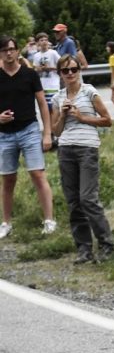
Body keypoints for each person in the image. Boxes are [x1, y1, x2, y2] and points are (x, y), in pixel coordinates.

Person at [50, 54, 114, 263]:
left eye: (73, 69)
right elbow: (56, 131)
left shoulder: (90, 92)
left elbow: (107, 120)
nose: (70, 74)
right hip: (66, 149)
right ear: (60, 74)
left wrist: (81, 117)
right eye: (65, 70)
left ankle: (106, 244)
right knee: (74, 202)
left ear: (80, 71)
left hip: (87, 148)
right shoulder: (58, 98)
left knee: (88, 198)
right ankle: (84, 249)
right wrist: (62, 115)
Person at [0, 35, 56, 238]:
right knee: (8, 179)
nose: (9, 53)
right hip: (4, 134)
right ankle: (6, 223)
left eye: (12, 49)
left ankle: (49, 220)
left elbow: (42, 104)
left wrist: (47, 133)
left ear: (17, 51)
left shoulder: (29, 74)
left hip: (29, 130)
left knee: (38, 174)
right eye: (4, 49)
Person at [31, 33, 60, 110]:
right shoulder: (36, 55)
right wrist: (38, 69)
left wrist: (50, 68)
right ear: (38, 43)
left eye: (46, 40)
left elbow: (61, 66)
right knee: (45, 109)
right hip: (42, 86)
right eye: (42, 40)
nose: (44, 42)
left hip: (53, 85)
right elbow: (35, 70)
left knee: (54, 109)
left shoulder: (53, 53)